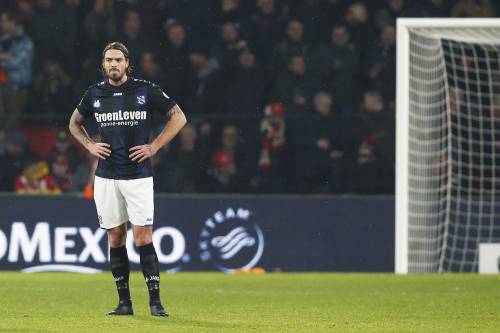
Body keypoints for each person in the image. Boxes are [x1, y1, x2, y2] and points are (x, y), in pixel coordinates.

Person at [68, 42, 187, 317]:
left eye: (118, 60)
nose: (113, 64)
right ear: (103, 64)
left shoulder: (145, 89)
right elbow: (74, 123)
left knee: (143, 236)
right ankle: (124, 303)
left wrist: (154, 146)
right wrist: (89, 145)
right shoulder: (94, 94)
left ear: (127, 64)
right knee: (116, 235)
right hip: (107, 176)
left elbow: (178, 117)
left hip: (138, 176)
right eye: (109, 60)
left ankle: (155, 303)